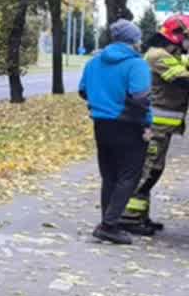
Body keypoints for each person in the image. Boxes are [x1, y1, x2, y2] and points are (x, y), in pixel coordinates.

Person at [80, 20, 152, 244]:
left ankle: (109, 220)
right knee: (129, 176)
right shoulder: (136, 65)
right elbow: (141, 99)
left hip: (101, 124)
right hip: (129, 125)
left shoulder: (93, 62)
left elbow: (83, 91)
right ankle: (109, 225)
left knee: (109, 176)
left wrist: (102, 102)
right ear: (134, 41)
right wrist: (147, 124)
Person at [123, 13, 189, 233]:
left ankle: (139, 215)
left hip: (164, 125)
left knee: (153, 168)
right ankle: (128, 217)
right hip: (155, 124)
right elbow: (183, 79)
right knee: (149, 168)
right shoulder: (158, 55)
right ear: (177, 35)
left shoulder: (172, 54)